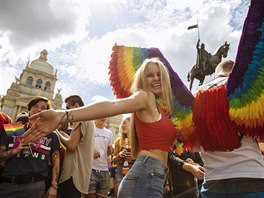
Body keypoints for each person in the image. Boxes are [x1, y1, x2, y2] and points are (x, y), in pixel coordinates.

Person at [22, 58, 179, 197]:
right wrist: (62, 115)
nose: (156, 78)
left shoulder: (161, 109)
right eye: (150, 75)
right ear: (143, 80)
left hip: (154, 176)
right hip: (146, 175)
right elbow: (113, 105)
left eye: (159, 74)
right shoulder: (145, 97)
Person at [195, 60, 264, 197]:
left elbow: (194, 144)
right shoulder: (247, 89)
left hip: (212, 181)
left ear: (215, 75)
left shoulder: (196, 94)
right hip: (249, 174)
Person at [0, 96, 60, 198]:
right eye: (35, 106)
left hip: (35, 186)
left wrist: (54, 186)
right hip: (8, 184)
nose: (39, 109)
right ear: (29, 109)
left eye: (43, 108)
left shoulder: (51, 134)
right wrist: (16, 150)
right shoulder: (13, 129)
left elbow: (56, 161)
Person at [56, 95, 95, 198]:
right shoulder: (90, 119)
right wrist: (65, 137)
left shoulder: (81, 117)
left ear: (76, 105)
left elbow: (71, 146)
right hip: (81, 176)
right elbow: (77, 144)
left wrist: (56, 133)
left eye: (68, 108)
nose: (67, 112)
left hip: (72, 176)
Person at [87, 118, 112, 198]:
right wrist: (91, 150)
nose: (103, 117)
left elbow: (109, 154)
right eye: (101, 114)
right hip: (91, 170)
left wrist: (109, 168)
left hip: (104, 172)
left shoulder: (109, 133)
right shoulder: (89, 130)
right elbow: (82, 146)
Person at [112, 116, 135, 196]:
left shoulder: (138, 140)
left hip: (134, 168)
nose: (122, 125)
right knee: (118, 193)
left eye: (124, 123)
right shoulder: (118, 140)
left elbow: (143, 157)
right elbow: (113, 160)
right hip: (120, 168)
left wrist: (134, 157)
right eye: (121, 124)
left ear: (132, 124)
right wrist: (119, 155)